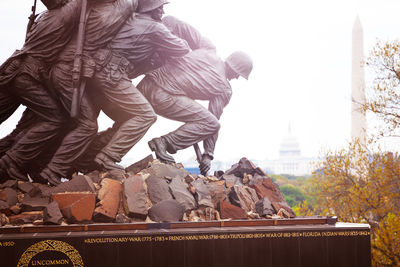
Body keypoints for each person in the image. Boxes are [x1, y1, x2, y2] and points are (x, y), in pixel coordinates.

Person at [39, 0, 191, 184]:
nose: (162, 10)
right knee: (145, 115)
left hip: (97, 73)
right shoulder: (155, 28)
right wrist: (171, 34)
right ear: (152, 8)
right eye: (160, 6)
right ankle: (108, 157)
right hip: (111, 74)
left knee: (125, 120)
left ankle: (83, 159)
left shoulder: (129, 20)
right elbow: (182, 48)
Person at [38, 0, 139, 184]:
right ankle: (53, 169)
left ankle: (57, 166)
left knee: (74, 121)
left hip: (62, 69)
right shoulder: (115, 10)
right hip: (69, 71)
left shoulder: (87, 10)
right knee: (87, 125)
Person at [138, 16, 253, 175]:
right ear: (236, 68)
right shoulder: (224, 89)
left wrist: (162, 32)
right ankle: (163, 143)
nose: (238, 77)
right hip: (162, 96)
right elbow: (212, 122)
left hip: (146, 84)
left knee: (126, 119)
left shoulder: (208, 48)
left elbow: (172, 22)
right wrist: (208, 155)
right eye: (239, 74)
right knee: (211, 123)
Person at [0, 0, 83, 182]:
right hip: (29, 74)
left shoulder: (42, 16)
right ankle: (11, 162)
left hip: (12, 68)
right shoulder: (69, 10)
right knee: (55, 118)